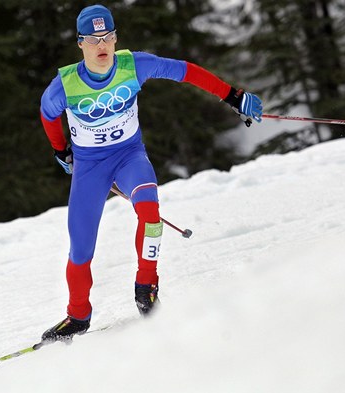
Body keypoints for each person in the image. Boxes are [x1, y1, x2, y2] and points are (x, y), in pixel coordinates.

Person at [39, 4, 262, 343]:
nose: (102, 46)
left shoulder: (134, 65)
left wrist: (233, 95)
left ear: (115, 38)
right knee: (81, 248)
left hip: (130, 156)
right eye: (94, 39)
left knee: (150, 213)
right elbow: (48, 114)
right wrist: (61, 150)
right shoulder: (63, 86)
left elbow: (185, 71)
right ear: (80, 43)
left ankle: (147, 287)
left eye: (108, 37)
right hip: (90, 167)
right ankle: (78, 316)